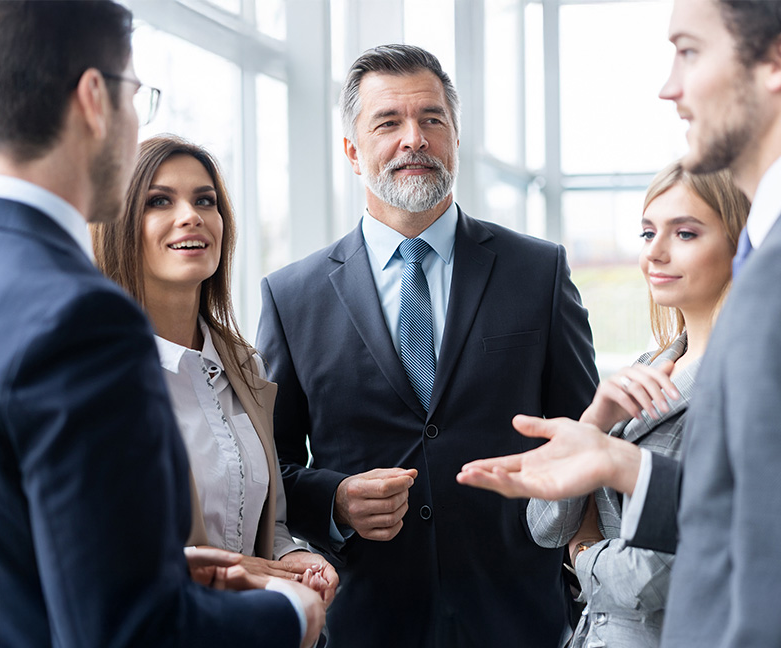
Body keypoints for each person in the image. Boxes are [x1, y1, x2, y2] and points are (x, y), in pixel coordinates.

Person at [458, 0, 781, 645]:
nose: (669, 86)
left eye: (690, 51)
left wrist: (591, 544)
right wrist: (624, 466)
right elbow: (773, 506)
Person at [0, 3, 324, 647]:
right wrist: (290, 617)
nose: (190, 218)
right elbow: (127, 630)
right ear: (95, 99)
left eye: (204, 200)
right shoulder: (84, 318)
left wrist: (164, 569)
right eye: (134, 95)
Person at [256, 44, 599, 648]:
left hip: (520, 618)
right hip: (370, 621)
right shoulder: (293, 296)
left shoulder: (537, 272)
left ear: (456, 138)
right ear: (351, 150)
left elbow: (584, 435)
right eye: (388, 122)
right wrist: (332, 500)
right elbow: (269, 467)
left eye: (432, 119)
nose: (413, 138)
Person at [92, 135, 338, 603]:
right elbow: (92, 544)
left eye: (205, 200)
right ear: (117, 224)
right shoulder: (96, 373)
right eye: (158, 201)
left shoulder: (245, 367)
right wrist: (220, 569)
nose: (192, 215)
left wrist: (290, 560)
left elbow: (268, 523)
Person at [527, 161, 749, 647]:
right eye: (648, 233)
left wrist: (583, 550)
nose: (656, 252)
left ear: (739, 243)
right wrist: (593, 421)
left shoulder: (745, 382)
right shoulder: (649, 366)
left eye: (685, 234)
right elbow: (544, 525)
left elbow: (655, 574)